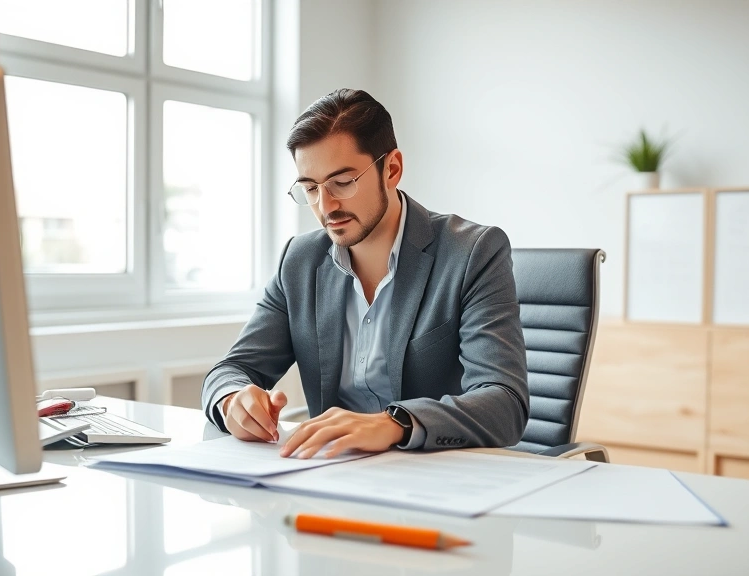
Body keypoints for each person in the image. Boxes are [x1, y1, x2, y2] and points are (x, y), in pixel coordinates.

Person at [201, 88, 527, 458]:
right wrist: (233, 401)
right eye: (310, 188)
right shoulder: (300, 260)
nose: (326, 206)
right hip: (330, 476)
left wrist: (393, 424)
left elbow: (505, 404)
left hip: (435, 478)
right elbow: (233, 369)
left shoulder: (472, 252)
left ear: (392, 169)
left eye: (343, 182)